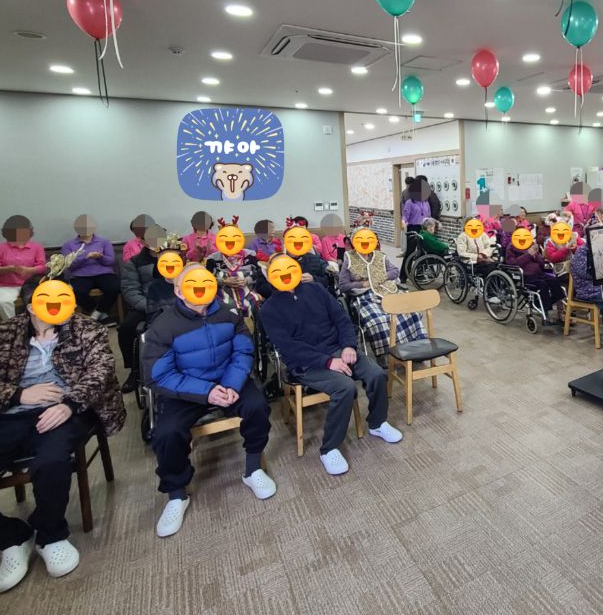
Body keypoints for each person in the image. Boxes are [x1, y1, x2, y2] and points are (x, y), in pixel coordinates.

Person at [0, 275, 125, 593]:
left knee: (51, 463)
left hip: (65, 410)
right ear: (31, 305)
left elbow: (101, 370)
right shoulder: (0, 335)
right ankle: (11, 537)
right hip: (6, 416)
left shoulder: (86, 329)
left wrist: (70, 404)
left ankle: (51, 534)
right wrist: (17, 395)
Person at [142, 264, 276, 538]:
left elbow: (243, 352)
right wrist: (206, 391)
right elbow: (159, 375)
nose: (201, 290)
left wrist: (231, 383)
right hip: (187, 390)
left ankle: (253, 469)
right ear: (179, 291)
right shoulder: (163, 326)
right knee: (166, 433)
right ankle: (177, 494)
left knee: (258, 407)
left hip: (228, 381)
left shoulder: (229, 315)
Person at [261, 255, 403, 475]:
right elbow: (289, 348)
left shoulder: (316, 290)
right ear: (270, 277)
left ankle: (377, 423)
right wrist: (327, 361)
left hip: (339, 349)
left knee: (376, 374)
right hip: (307, 363)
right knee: (344, 387)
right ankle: (329, 449)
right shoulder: (269, 309)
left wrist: (348, 346)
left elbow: (341, 319)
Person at [338, 230, 427, 365]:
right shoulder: (349, 258)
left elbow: (395, 271)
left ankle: (416, 348)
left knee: (411, 311)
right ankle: (386, 354)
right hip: (365, 296)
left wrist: (382, 276)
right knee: (378, 321)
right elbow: (343, 285)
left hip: (387, 292)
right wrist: (363, 284)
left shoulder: (380, 256)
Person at [118, 225, 165, 393]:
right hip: (147, 305)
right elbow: (130, 290)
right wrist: (150, 306)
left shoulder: (176, 258)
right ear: (143, 242)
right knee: (126, 329)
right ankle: (134, 371)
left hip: (175, 303)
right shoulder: (134, 262)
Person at [61, 215, 119, 326]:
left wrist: (100, 257)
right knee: (76, 291)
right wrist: (86, 257)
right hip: (80, 275)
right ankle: (102, 315)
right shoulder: (68, 245)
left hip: (104, 273)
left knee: (114, 287)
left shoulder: (104, 241)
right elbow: (69, 265)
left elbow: (110, 261)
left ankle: (95, 315)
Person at [0, 215, 46, 321]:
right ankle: (13, 325)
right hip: (6, 286)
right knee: (2, 302)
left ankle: (36, 325)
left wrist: (30, 270)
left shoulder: (37, 247)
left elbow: (42, 267)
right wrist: (9, 269)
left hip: (30, 284)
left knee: (40, 300)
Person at [205, 227, 272, 318]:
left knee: (256, 303)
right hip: (224, 293)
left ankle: (257, 327)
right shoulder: (212, 259)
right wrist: (223, 281)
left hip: (249, 291)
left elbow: (261, 273)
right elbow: (207, 280)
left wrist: (248, 280)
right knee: (224, 308)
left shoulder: (250, 254)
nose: (230, 243)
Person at [505, 237, 565, 324]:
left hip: (539, 273)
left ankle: (560, 311)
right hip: (525, 276)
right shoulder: (511, 247)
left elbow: (542, 263)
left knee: (554, 281)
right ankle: (546, 314)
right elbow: (513, 263)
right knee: (543, 284)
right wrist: (528, 255)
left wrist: (535, 255)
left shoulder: (531, 244)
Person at [400, 180, 432, 283]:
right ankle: (403, 276)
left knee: (423, 251)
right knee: (410, 252)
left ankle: (419, 274)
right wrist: (403, 222)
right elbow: (405, 216)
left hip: (424, 228)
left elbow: (429, 216)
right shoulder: (409, 203)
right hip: (413, 228)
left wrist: (431, 226)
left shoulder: (426, 202)